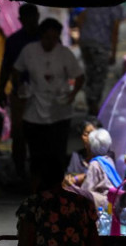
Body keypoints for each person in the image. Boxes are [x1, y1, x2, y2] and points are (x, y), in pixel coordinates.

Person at [12, 17, 85, 189]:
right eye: (47, 38)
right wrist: (20, 87)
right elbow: (16, 70)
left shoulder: (64, 54)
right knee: (37, 154)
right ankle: (36, 187)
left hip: (59, 111)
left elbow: (79, 76)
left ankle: (57, 189)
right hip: (34, 110)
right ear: (41, 36)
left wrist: (72, 95)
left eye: (54, 38)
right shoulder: (29, 51)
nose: (50, 42)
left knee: (57, 154)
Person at [0, 3, 41, 182]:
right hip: (20, 93)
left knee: (40, 132)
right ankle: (21, 170)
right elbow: (6, 67)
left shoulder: (45, 37)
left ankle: (37, 170)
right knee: (19, 132)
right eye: (27, 18)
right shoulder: (14, 41)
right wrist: (1, 90)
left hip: (42, 94)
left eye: (33, 17)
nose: (31, 21)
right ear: (21, 20)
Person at [75, 6, 124, 116]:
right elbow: (115, 30)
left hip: (86, 43)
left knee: (90, 73)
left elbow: (80, 19)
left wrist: (81, 39)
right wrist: (113, 53)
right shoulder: (115, 7)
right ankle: (94, 107)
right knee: (98, 77)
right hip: (101, 46)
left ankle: (91, 105)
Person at [77, 128, 122, 211]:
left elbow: (86, 189)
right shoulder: (109, 159)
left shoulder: (95, 164)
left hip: (106, 204)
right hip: (116, 201)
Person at [65, 117, 101, 189]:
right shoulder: (75, 156)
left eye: (93, 134)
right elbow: (68, 178)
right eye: (86, 134)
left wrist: (79, 178)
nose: (90, 138)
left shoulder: (105, 158)